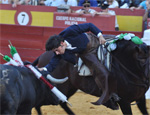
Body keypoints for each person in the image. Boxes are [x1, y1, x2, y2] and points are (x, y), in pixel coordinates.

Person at [39, 23, 119, 108]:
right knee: (99, 69)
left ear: (62, 43)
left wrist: (100, 36)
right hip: (86, 52)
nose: (56, 53)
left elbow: (89, 25)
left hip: (92, 41)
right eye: (55, 51)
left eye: (56, 50)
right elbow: (52, 65)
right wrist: (43, 69)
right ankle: (108, 95)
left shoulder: (70, 31)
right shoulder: (59, 53)